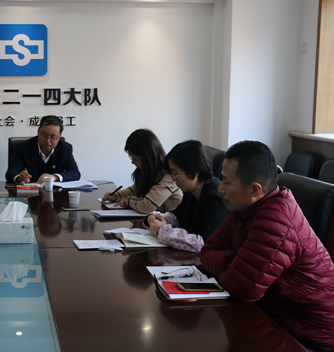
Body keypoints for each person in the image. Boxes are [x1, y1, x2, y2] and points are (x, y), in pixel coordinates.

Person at [200, 141, 334, 351]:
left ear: (255, 189)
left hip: (305, 339)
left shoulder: (276, 221)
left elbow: (240, 289)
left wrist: (236, 266)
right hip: (272, 318)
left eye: (226, 181)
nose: (220, 188)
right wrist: (235, 263)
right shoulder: (246, 208)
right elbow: (207, 250)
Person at [145, 140, 228, 254]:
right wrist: (156, 218)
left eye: (176, 173)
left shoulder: (215, 198)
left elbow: (203, 243)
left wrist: (162, 231)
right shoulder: (192, 190)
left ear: (195, 170)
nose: (174, 179)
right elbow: (178, 216)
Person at [102, 129, 182, 213]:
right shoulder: (150, 171)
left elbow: (147, 206)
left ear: (147, 156)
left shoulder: (168, 176)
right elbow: (136, 189)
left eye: (134, 158)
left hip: (172, 221)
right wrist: (116, 196)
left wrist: (128, 201)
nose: (132, 162)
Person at [5, 115, 80, 184]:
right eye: (44, 135)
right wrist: (19, 177)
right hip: (31, 191)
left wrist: (55, 177)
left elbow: (75, 173)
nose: (47, 140)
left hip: (56, 192)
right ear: (38, 131)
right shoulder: (24, 147)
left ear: (59, 136)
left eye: (53, 137)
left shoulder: (65, 148)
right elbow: (11, 172)